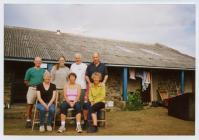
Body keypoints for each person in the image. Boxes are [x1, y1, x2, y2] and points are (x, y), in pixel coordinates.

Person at [24, 57, 46, 128]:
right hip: (32, 88)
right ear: (34, 62)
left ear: (41, 62)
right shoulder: (30, 70)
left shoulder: (44, 71)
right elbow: (26, 81)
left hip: (41, 89)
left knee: (40, 105)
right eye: (37, 61)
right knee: (30, 104)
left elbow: (46, 80)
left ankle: (38, 120)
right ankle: (28, 120)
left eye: (39, 61)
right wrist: (31, 85)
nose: (38, 62)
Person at [70, 53, 88, 129]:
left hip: (82, 87)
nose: (77, 59)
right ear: (75, 58)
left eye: (79, 58)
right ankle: (76, 120)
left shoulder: (85, 66)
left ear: (81, 58)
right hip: (73, 88)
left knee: (81, 104)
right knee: (74, 103)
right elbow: (70, 76)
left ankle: (82, 120)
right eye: (76, 58)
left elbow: (87, 77)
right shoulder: (72, 65)